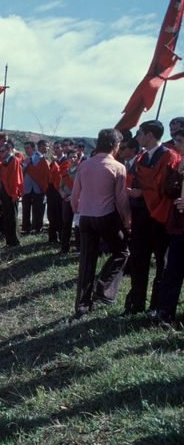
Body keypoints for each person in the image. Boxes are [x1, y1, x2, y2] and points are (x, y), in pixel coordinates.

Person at [70, 129, 131, 318]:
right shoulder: (118, 167)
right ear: (115, 145)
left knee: (87, 260)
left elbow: (74, 197)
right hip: (106, 216)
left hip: (86, 217)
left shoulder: (85, 165)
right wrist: (128, 220)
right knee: (122, 252)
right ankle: (103, 287)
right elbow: (121, 200)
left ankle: (82, 305)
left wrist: (78, 212)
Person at [124, 120, 181, 315]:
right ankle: (136, 302)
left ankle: (156, 305)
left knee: (160, 262)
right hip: (141, 215)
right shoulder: (141, 158)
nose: (137, 137)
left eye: (139, 133)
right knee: (138, 258)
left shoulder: (169, 156)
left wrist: (142, 193)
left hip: (160, 216)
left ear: (149, 135)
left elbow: (168, 188)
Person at [149, 129, 184, 325]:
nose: (175, 144)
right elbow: (168, 191)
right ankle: (165, 312)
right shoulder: (178, 163)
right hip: (178, 226)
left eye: (179, 141)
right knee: (173, 270)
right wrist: (177, 175)